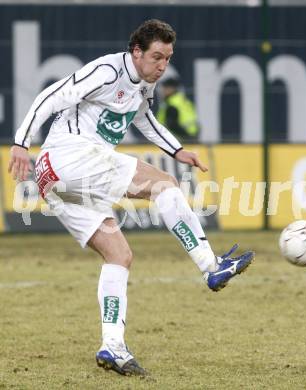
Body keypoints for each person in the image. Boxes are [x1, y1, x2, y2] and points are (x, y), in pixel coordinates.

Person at [8, 19, 255, 377]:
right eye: (156, 56)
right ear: (136, 51)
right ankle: (210, 265)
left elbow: (144, 120)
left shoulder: (144, 86)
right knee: (164, 185)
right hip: (71, 156)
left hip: (55, 180)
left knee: (119, 255)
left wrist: (178, 149)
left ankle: (112, 346)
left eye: (168, 59)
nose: (162, 66)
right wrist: (20, 142)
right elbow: (51, 96)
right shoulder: (107, 70)